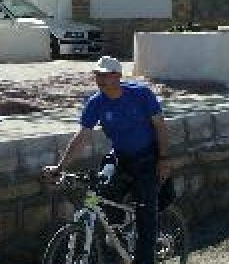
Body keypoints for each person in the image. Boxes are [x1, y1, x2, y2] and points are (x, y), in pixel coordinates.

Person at [43, 56, 170, 264]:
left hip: (147, 158)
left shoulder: (141, 94)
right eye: (97, 75)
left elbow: (160, 126)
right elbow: (82, 137)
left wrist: (163, 159)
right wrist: (60, 167)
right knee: (99, 191)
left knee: (146, 216)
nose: (100, 79)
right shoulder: (96, 102)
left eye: (106, 75)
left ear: (118, 76)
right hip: (120, 156)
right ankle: (118, 233)